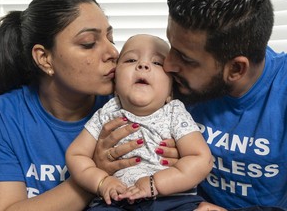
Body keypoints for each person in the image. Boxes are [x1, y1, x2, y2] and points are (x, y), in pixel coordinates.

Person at [0, 0, 149, 210]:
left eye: (110, 38)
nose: (112, 53)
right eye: (89, 44)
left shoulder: (128, 105)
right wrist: (94, 173)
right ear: (44, 58)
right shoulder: (5, 117)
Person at [161, 0, 287, 210]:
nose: (168, 64)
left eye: (186, 59)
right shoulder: (169, 81)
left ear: (236, 69)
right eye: (171, 46)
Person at [66, 34, 213, 210]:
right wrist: (102, 182)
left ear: (170, 92)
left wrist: (156, 184)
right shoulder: (106, 113)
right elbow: (76, 155)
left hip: (170, 200)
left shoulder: (175, 112)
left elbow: (201, 159)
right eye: (130, 60)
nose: (143, 65)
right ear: (115, 81)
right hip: (115, 201)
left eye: (157, 63)